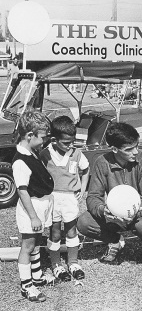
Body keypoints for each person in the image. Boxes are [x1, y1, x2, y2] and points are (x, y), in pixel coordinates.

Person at [76, 122, 142, 264]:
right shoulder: (102, 162)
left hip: (139, 214)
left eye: (137, 146)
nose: (136, 152)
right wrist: (103, 211)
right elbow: (93, 197)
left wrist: (135, 213)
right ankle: (115, 241)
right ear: (114, 149)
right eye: (129, 149)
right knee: (84, 223)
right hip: (113, 216)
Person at [12, 110, 55, 303]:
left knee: (36, 241)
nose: (44, 141)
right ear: (30, 136)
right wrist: (33, 217)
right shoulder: (20, 161)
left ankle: (36, 276)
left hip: (41, 206)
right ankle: (27, 285)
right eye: (43, 137)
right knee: (27, 246)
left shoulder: (31, 152)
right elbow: (22, 191)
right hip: (32, 209)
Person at [40, 115, 89, 281]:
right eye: (66, 143)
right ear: (54, 140)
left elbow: (86, 169)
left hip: (70, 198)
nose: (71, 145)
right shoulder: (45, 154)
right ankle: (56, 265)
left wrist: (82, 187)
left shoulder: (76, 153)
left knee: (71, 230)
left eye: (72, 141)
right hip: (53, 198)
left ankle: (73, 263)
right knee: (54, 232)